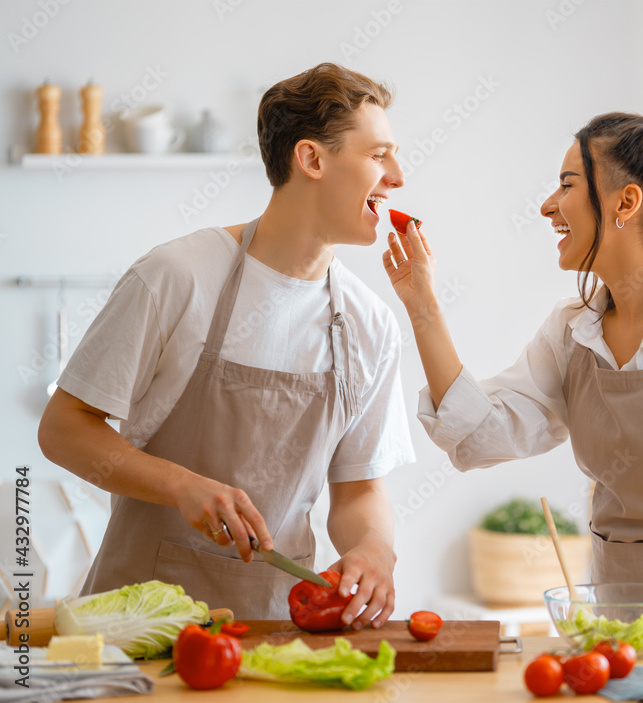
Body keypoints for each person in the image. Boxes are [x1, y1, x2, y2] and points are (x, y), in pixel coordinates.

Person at [382, 110, 643, 661]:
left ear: (625, 203)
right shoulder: (573, 329)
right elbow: (482, 436)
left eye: (566, 185)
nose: (547, 207)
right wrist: (423, 308)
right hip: (612, 623)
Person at [38, 63, 415, 624]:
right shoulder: (177, 275)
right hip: (137, 621)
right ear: (311, 159)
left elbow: (359, 489)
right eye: (379, 155)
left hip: (277, 630)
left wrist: (374, 551)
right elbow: (63, 429)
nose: (398, 176)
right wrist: (180, 485)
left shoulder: (371, 323)